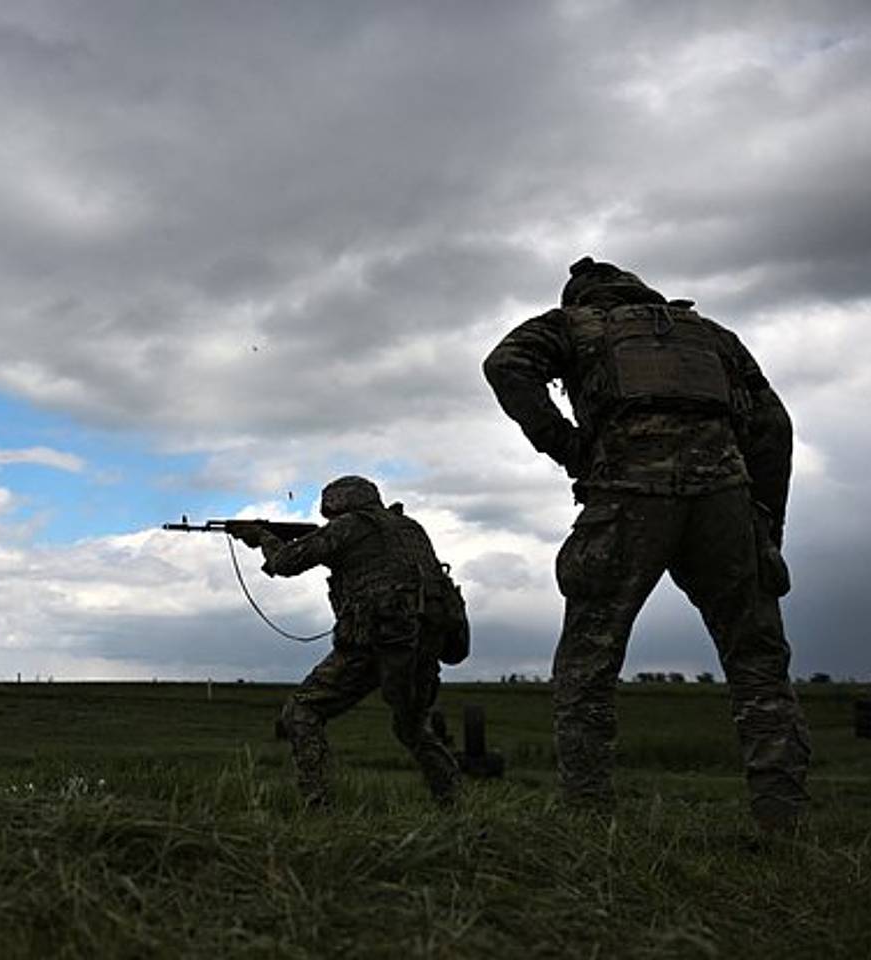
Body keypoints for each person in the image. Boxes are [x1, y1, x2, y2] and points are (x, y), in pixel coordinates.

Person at [482, 256, 810, 830]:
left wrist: (568, 447)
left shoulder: (574, 324)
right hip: (725, 498)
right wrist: (764, 525)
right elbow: (773, 427)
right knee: (757, 662)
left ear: (582, 298)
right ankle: (782, 822)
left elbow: (505, 364)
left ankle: (589, 819)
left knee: (588, 663)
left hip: (626, 495)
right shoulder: (711, 335)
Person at [230, 475, 465, 809]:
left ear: (340, 501)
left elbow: (286, 563)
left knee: (302, 710)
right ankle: (454, 803)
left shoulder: (350, 526)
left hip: (375, 639)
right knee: (412, 728)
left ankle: (318, 805)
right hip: (423, 639)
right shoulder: (409, 528)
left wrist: (263, 537)